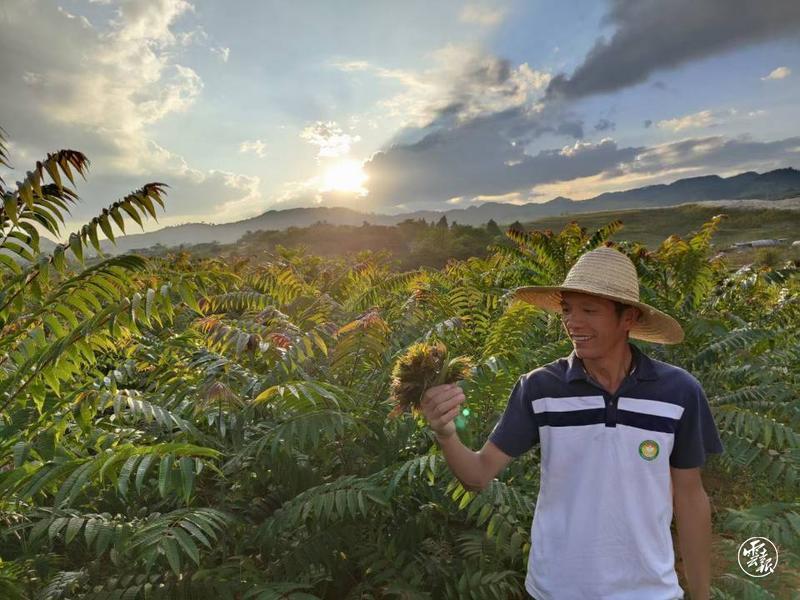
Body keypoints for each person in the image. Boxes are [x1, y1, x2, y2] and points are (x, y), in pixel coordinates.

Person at [421, 246, 724, 600]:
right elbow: (477, 474)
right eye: (567, 309)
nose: (572, 322)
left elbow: (690, 497)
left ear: (628, 318)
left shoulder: (678, 392)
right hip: (556, 588)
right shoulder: (540, 388)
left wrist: (701, 594)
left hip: (649, 590)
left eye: (589, 310)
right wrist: (445, 433)